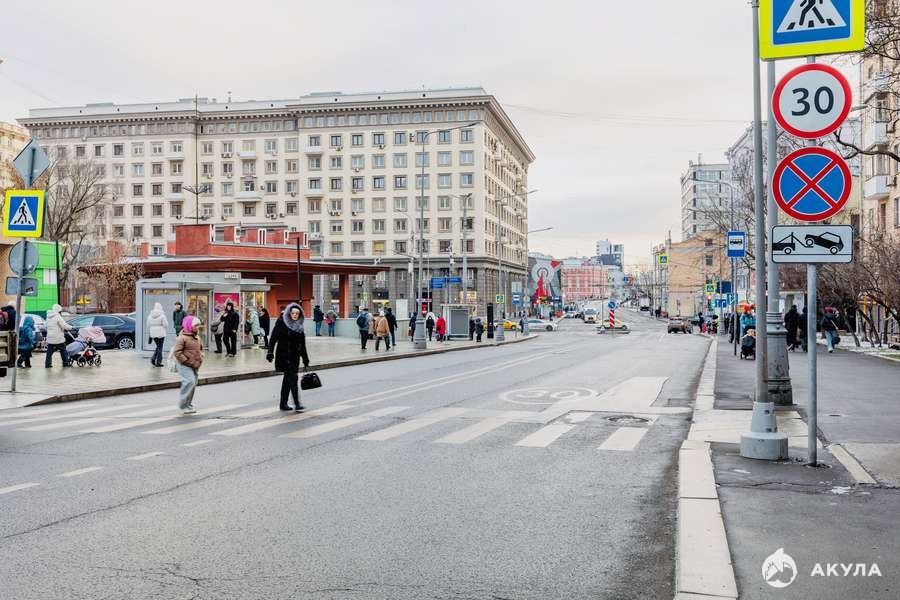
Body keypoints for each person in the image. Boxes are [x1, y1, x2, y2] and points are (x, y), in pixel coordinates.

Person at [266, 303, 309, 412]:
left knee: (287, 380)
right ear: (289, 313)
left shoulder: (299, 326)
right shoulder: (282, 322)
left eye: (297, 313)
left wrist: (305, 358)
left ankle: (283, 404)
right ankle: (297, 403)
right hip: (284, 356)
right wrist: (270, 352)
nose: (295, 315)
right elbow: (273, 338)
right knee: (293, 378)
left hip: (295, 357)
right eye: (293, 313)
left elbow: (302, 344)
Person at [173, 315, 203, 414]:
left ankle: (188, 404)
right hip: (184, 364)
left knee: (193, 384)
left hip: (194, 365)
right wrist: (186, 361)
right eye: (196, 325)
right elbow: (177, 352)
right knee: (189, 382)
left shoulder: (197, 337)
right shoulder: (182, 338)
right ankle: (183, 406)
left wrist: (200, 358)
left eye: (198, 325)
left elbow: (200, 349)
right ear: (189, 326)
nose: (198, 327)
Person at [44, 303, 73, 368]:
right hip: (58, 338)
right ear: (58, 310)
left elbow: (45, 326)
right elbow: (64, 325)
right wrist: (71, 327)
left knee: (49, 352)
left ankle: (47, 364)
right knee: (63, 350)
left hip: (50, 338)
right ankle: (65, 363)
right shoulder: (58, 317)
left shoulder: (48, 317)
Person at [146, 302, 169, 367]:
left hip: (153, 333)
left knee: (158, 347)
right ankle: (158, 362)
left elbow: (148, 324)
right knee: (160, 347)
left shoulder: (150, 316)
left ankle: (153, 359)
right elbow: (166, 325)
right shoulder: (162, 315)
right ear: (160, 307)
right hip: (161, 333)